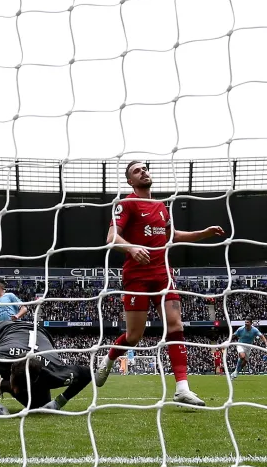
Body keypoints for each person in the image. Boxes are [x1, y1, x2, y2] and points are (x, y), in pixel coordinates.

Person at [94, 160, 225, 406]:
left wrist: (203, 233)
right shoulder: (126, 204)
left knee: (175, 324)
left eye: (145, 168)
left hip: (163, 274)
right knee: (134, 336)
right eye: (136, 171)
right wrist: (131, 248)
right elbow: (112, 237)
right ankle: (109, 358)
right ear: (130, 181)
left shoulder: (161, 207)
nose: (143, 172)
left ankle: (182, 389)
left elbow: (171, 236)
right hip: (136, 277)